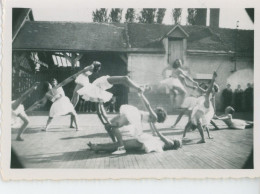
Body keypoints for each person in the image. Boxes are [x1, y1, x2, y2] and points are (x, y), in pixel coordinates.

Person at [89, 92, 181, 154]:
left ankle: (98, 147)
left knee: (120, 141)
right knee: (119, 139)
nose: (175, 138)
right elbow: (154, 132)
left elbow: (158, 134)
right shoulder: (153, 120)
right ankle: (97, 146)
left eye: (177, 139)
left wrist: (141, 94)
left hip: (147, 142)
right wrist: (153, 126)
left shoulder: (171, 143)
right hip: (146, 140)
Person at [27, 62, 101, 131]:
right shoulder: (52, 90)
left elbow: (67, 81)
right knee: (71, 111)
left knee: (70, 110)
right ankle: (73, 126)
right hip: (63, 100)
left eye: (53, 82)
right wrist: (37, 104)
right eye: (51, 83)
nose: (52, 83)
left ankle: (72, 126)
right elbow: (47, 100)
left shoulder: (54, 89)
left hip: (63, 99)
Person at [77, 74, 145, 142]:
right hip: (102, 83)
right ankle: (115, 141)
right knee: (125, 79)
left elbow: (100, 111)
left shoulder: (96, 90)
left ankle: (114, 141)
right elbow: (125, 79)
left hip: (101, 83)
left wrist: (106, 121)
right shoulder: (97, 90)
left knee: (125, 80)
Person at [185, 71, 218, 143]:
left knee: (198, 121)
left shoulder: (210, 91)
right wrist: (198, 86)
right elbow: (203, 90)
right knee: (201, 121)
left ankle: (203, 139)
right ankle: (204, 138)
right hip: (206, 107)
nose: (208, 86)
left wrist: (213, 78)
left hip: (204, 105)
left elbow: (210, 87)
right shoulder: (208, 92)